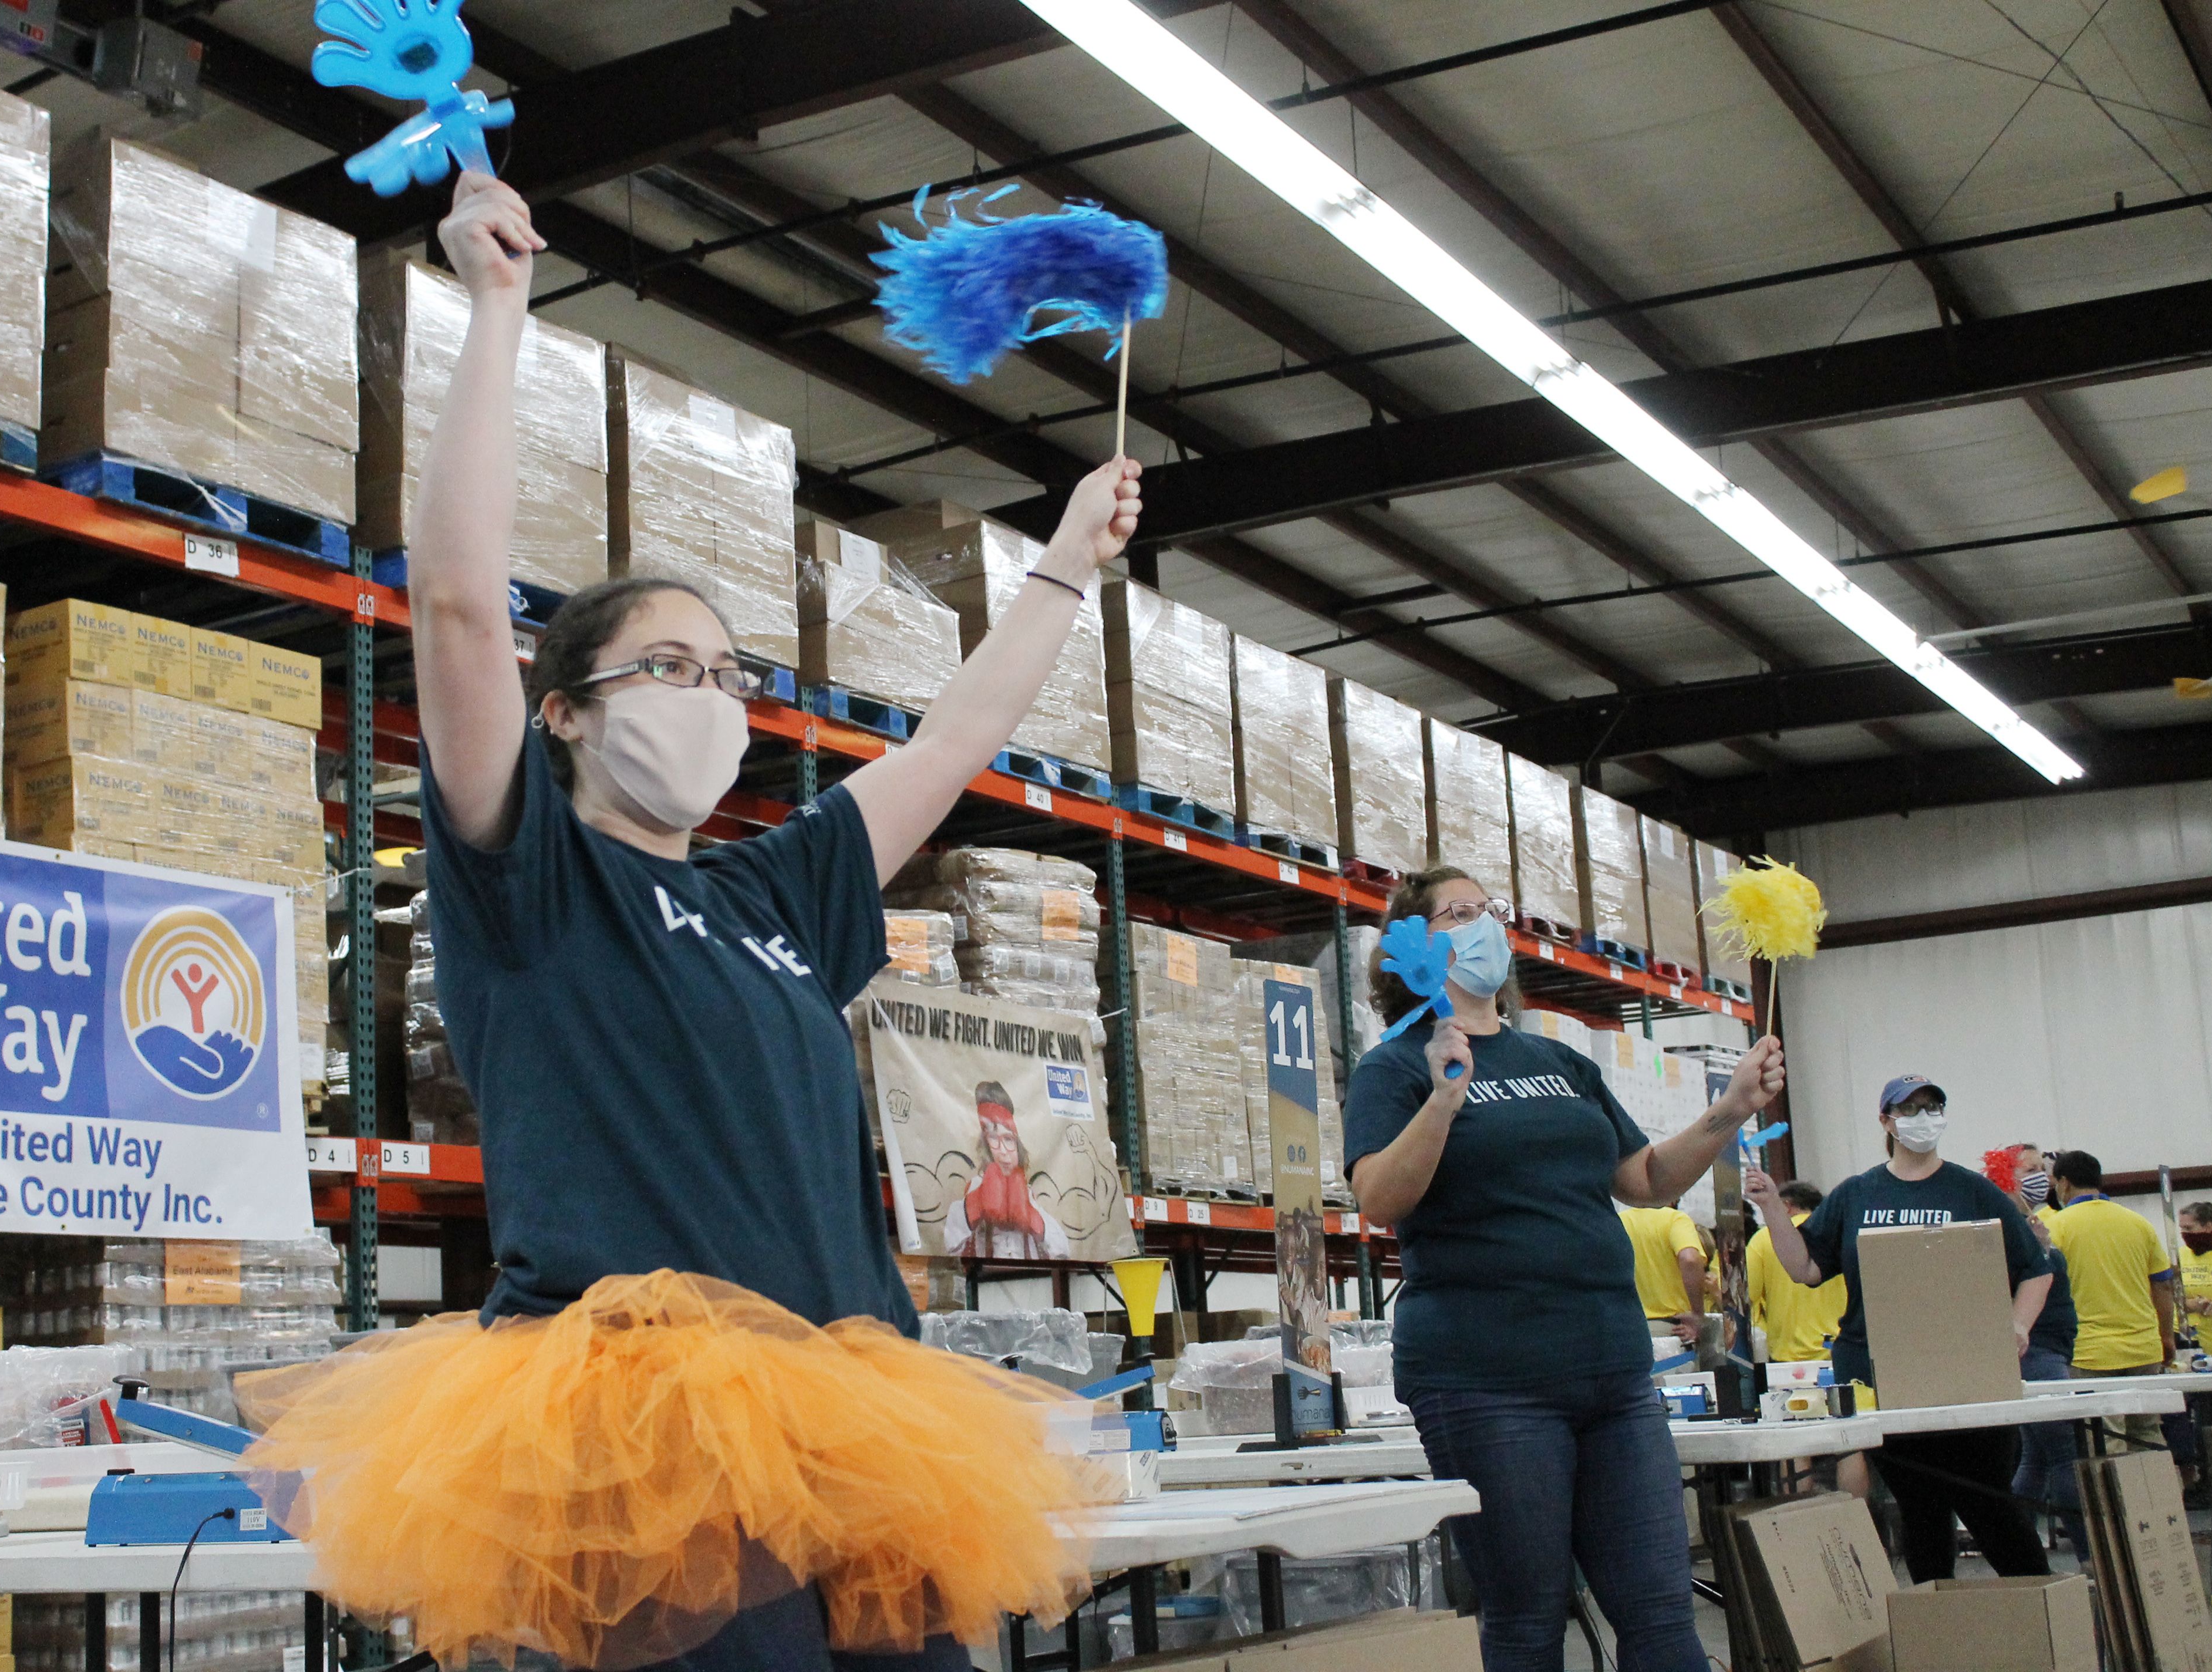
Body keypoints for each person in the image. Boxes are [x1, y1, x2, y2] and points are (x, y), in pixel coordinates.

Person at [241, 173, 1147, 1672]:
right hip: (641, 1411)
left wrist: (1062, 558)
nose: (712, 697)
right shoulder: (526, 871)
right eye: (667, 664)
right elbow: (460, 605)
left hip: (855, 1394)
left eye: (730, 674)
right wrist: (494, 312)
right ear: (569, 715)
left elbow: (943, 746)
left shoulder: (775, 891)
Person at [1344, 866, 1786, 1672]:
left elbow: (1645, 1180)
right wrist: (1443, 1103)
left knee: (1661, 1616)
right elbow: (1379, 1198)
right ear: (1414, 943)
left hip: (1614, 1373)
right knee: (1527, 1618)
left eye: (1490, 911)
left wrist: (1728, 1111)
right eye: (1461, 913)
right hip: (1488, 1379)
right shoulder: (1395, 1069)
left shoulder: (1561, 1063)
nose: (1486, 925)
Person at [1745, 1076, 2054, 1585]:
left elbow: (2036, 1268)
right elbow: (1806, 1268)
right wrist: (1773, 1210)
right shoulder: (1856, 1194)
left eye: (1932, 1106)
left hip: (1965, 1375)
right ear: (1886, 1121)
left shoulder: (1971, 1191)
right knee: (1921, 1507)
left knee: (1989, 1505)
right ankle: (1935, 1627)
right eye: (1909, 1108)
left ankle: (2043, 1616)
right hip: (1881, 1375)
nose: (1923, 1117)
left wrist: (2017, 1327)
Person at [1985, 1146, 2090, 1562]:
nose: (2042, 1176)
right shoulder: (2022, 1240)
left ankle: (2013, 1551)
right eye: (2031, 1170)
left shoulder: (2026, 1232)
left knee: (2035, 1460)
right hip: (2040, 1356)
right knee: (2065, 1457)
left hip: (2036, 1356)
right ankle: (2090, 1553)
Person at [2049, 1151, 2182, 1462]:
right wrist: (2166, 1336)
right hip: (2143, 1347)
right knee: (2148, 1434)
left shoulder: (2058, 1228)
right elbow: (2163, 1284)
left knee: (2105, 1441)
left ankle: (2115, 1510)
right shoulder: (2138, 1224)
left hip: (2089, 1353)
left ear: (2065, 1184)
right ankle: (2156, 1507)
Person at [942, 1085, 1070, 1259]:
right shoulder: (976, 1186)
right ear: (986, 1145)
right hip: (985, 1282)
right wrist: (977, 1203)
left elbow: (1063, 1251)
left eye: (1009, 1140)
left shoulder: (1026, 1192)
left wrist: (1034, 1219)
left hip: (1027, 1281)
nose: (1003, 1151)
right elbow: (949, 1246)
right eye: (994, 1139)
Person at [1746, 1181, 1846, 1364]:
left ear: (1786, 1206)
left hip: (1787, 1357)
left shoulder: (1762, 1240)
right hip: (1838, 1349)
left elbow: (1747, 1296)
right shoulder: (1837, 1235)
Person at [1621, 1206, 1710, 1344]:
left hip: (1625, 1331)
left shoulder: (1619, 1221)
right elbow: (1690, 1259)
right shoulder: (1675, 1219)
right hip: (1671, 1332)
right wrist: (1698, 1315)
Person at [2180, 1201, 2212, 1358]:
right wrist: (2188, 1304)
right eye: (2182, 1228)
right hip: (2188, 1343)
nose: (2184, 1234)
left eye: (2189, 1228)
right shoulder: (2179, 1256)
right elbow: (2165, 1295)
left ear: (2208, 1227)